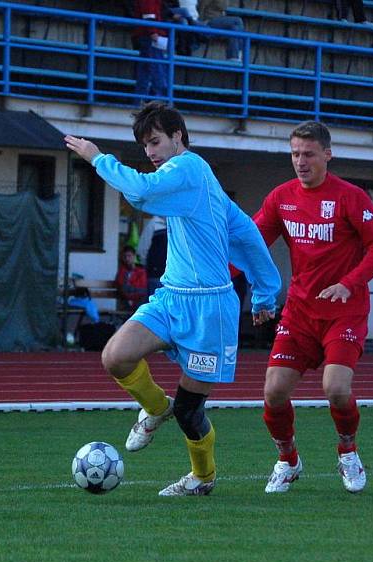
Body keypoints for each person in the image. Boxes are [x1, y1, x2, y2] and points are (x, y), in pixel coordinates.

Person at [64, 102, 280, 496]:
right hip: (171, 297)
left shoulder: (189, 168)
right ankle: (156, 408)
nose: (149, 152)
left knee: (190, 410)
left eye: (155, 141)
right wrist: (266, 291)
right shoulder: (198, 181)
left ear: (178, 136)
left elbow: (142, 193)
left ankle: (202, 477)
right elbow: (245, 230)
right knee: (115, 356)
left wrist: (98, 158)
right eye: (145, 145)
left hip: (211, 310)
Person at [252, 120, 373, 494]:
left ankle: (348, 451)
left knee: (336, 388)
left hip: (344, 312)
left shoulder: (350, 197)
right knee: (274, 391)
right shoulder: (280, 197)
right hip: (299, 312)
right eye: (295, 154)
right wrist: (227, 278)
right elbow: (252, 244)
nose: (300, 161)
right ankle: (288, 460)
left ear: (327, 155)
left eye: (308, 154)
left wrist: (349, 283)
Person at [132, 0, 168, 102]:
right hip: (150, 36)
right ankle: (159, 101)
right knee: (157, 69)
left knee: (145, 71)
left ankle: (140, 100)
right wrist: (153, 31)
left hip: (147, 35)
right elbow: (149, 14)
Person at [137, 215, 167, 296]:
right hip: (155, 274)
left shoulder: (177, 225)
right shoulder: (153, 223)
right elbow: (142, 248)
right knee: (154, 302)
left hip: (173, 276)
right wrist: (148, 265)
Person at [114, 245, 149, 312]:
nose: (127, 259)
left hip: (139, 301)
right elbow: (121, 288)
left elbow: (142, 289)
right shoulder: (121, 271)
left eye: (129, 256)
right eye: (125, 256)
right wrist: (131, 289)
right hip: (126, 301)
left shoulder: (141, 271)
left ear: (134, 256)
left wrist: (129, 288)